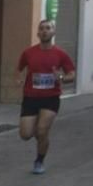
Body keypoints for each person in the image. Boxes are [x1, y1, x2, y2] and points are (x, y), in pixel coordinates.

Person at [15, 20, 76, 174]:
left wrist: (61, 77)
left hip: (51, 98)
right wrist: (18, 78)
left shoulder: (61, 54)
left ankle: (39, 160)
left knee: (42, 131)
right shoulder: (28, 52)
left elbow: (72, 75)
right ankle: (41, 135)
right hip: (30, 97)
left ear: (53, 32)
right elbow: (19, 68)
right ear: (37, 33)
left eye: (48, 28)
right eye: (41, 29)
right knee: (25, 134)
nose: (44, 31)